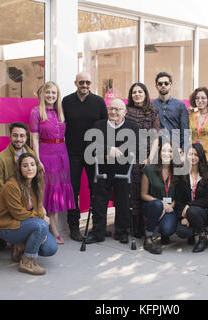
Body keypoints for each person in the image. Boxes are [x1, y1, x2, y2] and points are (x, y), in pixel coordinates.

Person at [84, 99, 139, 244]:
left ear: (125, 112)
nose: (114, 112)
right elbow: (90, 146)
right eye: (111, 108)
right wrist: (109, 150)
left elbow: (134, 148)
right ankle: (98, 232)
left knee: (123, 201)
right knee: (99, 200)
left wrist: (111, 153)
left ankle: (121, 231)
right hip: (102, 169)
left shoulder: (132, 127)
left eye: (118, 109)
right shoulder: (98, 125)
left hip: (123, 170)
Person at [0, 152, 57, 276]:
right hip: (8, 227)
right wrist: (42, 223)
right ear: (19, 168)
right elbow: (19, 214)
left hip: (28, 225)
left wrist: (41, 223)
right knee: (41, 226)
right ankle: (27, 261)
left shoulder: (37, 183)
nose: (29, 168)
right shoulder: (11, 186)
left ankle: (20, 247)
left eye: (32, 165)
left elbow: (39, 208)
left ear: (37, 167)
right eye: (25, 166)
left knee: (50, 249)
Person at [62, 72, 108, 241]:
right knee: (73, 191)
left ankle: (98, 226)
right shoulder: (66, 101)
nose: (85, 85)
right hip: (72, 153)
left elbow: (106, 127)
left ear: (91, 83)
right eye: (81, 82)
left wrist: (104, 150)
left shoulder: (98, 102)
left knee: (96, 189)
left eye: (87, 82)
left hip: (94, 154)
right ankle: (74, 227)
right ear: (76, 83)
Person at [30, 81, 75, 245]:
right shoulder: (36, 112)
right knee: (46, 191)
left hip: (61, 152)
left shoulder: (60, 111)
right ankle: (47, 229)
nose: (50, 96)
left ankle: (53, 229)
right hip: (46, 154)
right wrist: (37, 159)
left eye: (54, 93)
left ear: (57, 95)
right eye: (48, 92)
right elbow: (34, 137)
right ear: (43, 94)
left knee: (56, 193)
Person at [125, 82, 161, 238]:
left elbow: (155, 138)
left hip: (146, 156)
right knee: (131, 191)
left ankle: (147, 223)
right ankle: (133, 226)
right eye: (134, 92)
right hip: (129, 157)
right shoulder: (126, 111)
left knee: (144, 190)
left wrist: (150, 158)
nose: (137, 94)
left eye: (140, 91)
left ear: (145, 94)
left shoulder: (152, 112)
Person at [174, 143, 208, 253]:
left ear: (200, 156)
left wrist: (189, 206)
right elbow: (178, 200)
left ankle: (203, 238)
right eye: (190, 154)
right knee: (182, 232)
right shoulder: (181, 173)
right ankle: (192, 232)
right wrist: (183, 216)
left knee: (192, 210)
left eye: (196, 155)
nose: (193, 157)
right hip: (186, 213)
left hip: (204, 213)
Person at [140, 139, 177, 254]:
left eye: (170, 151)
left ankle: (164, 233)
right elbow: (143, 195)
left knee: (167, 230)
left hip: (170, 208)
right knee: (157, 204)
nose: (166, 153)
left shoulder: (177, 171)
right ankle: (148, 238)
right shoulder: (149, 169)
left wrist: (170, 206)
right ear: (159, 153)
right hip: (152, 206)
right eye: (164, 151)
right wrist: (161, 203)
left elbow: (179, 196)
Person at [0, 122, 35, 198]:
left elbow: (37, 181)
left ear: (26, 137)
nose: (18, 139)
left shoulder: (32, 155)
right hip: (11, 203)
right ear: (10, 136)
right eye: (15, 135)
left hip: (31, 200)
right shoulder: (0, 159)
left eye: (22, 136)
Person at [152, 72, 189, 154]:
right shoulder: (151, 106)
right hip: (157, 150)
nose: (163, 85)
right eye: (160, 83)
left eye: (166, 83)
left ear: (171, 85)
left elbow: (185, 132)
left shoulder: (180, 106)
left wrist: (184, 151)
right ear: (156, 86)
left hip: (176, 150)